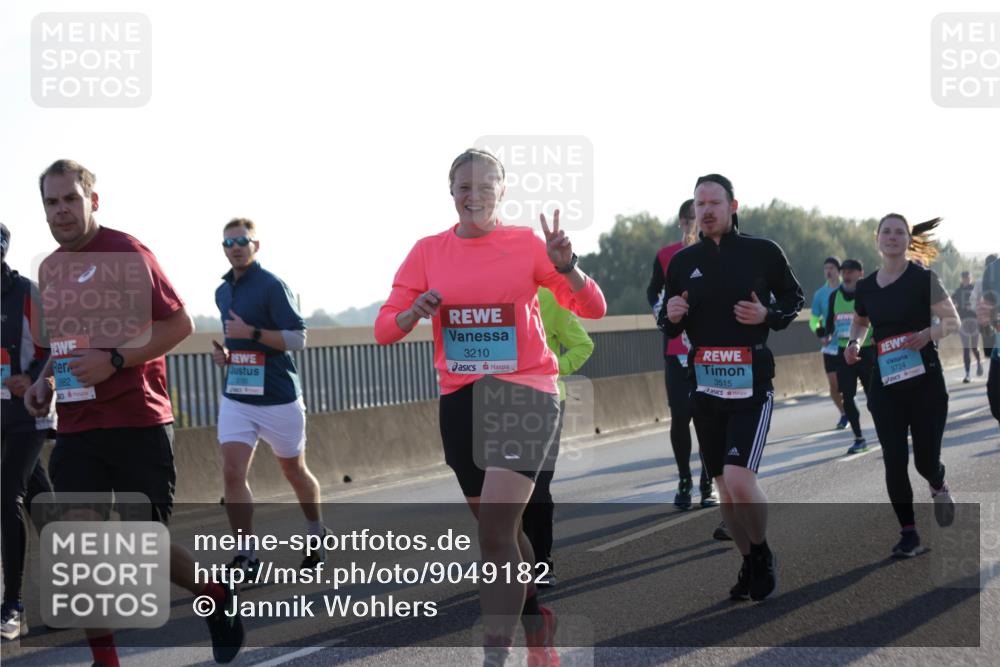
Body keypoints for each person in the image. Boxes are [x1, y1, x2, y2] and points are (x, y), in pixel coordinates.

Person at [374, 148, 606, 666]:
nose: (473, 196)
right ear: (450, 192)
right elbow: (385, 328)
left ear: (502, 192)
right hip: (461, 399)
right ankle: (536, 622)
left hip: (525, 391)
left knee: (495, 532)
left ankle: (495, 652)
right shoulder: (427, 252)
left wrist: (568, 267)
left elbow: (593, 307)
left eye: (484, 187)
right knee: (506, 532)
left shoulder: (526, 245)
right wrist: (413, 310)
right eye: (464, 187)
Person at [23, 160, 244, 664]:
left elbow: (179, 324)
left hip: (139, 420)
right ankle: (107, 660)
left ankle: (215, 593)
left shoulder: (127, 252)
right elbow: (65, 345)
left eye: (70, 200)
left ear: (93, 201)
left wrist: (117, 359)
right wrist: (45, 382)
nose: (61, 211)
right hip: (78, 427)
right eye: (51, 203)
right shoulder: (50, 269)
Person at [660, 174, 804, 602]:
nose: (706, 211)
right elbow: (668, 321)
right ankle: (749, 562)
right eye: (699, 204)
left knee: (741, 482)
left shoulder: (763, 252)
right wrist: (672, 312)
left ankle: (761, 553)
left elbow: (793, 299)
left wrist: (767, 315)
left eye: (714, 203)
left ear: (732, 205)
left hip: (751, 383)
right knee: (724, 489)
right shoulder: (683, 263)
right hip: (705, 385)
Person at [210, 218, 325, 576]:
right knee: (232, 472)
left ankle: (316, 533)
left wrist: (253, 332)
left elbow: (297, 339)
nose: (236, 247)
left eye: (243, 240)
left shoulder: (273, 285)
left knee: (293, 470)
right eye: (229, 243)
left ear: (256, 245)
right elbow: (238, 341)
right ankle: (247, 555)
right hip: (238, 396)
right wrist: (226, 357)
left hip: (278, 397)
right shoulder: (222, 291)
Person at [845, 214, 959, 558]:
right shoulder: (865, 287)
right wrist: (853, 344)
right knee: (894, 460)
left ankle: (938, 483)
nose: (892, 237)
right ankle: (908, 533)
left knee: (925, 461)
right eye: (886, 232)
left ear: (908, 240)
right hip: (886, 384)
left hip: (925, 382)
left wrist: (927, 335)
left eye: (899, 232)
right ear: (877, 239)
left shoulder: (922, 278)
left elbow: (951, 321)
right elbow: (860, 322)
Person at [646, 200, 718, 510]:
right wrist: (664, 315)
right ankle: (684, 478)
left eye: (696, 219)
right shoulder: (665, 255)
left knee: (707, 416)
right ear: (680, 221)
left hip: (708, 349)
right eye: (688, 219)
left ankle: (707, 481)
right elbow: (653, 292)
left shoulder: (715, 253)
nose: (692, 224)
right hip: (676, 349)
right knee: (680, 416)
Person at [1, 223, 54, 641]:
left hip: (28, 410)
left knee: (6, 495)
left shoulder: (27, 292)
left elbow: (57, 347)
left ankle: (12, 605)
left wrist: (30, 378)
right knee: (37, 494)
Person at [522, 286, 595, 588]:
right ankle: (516, 563)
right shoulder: (490, 296)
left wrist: (555, 369)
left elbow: (583, 345)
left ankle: (541, 563)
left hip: (545, 402)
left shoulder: (549, 297)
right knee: (506, 494)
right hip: (497, 403)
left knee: (537, 487)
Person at [819, 259, 873, 454]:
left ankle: (889, 430)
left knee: (873, 398)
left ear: (861, 273)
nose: (847, 275)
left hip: (867, 351)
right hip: (845, 352)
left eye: (851, 271)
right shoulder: (835, 296)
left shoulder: (868, 293)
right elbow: (831, 323)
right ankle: (859, 438)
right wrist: (825, 333)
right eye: (844, 272)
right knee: (847, 397)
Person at [811, 257, 848, 429]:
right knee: (834, 386)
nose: (828, 271)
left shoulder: (848, 290)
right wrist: (821, 334)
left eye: (831, 267)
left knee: (847, 383)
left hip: (849, 344)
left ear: (838, 270)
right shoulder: (819, 294)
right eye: (825, 268)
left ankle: (851, 407)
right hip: (829, 347)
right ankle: (843, 413)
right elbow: (814, 320)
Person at [951, 271, 982, 383]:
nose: (966, 279)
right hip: (962, 321)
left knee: (974, 347)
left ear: (971, 278)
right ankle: (967, 374)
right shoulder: (958, 292)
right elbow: (950, 302)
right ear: (961, 279)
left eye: (968, 278)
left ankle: (978, 362)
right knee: (966, 348)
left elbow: (981, 302)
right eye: (964, 278)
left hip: (974, 320)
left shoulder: (975, 290)